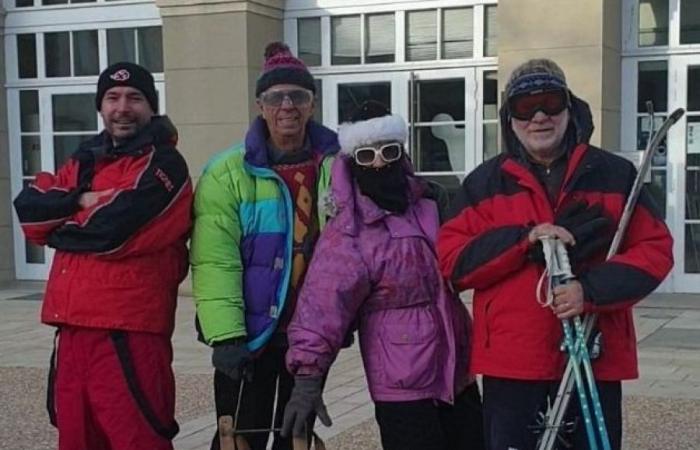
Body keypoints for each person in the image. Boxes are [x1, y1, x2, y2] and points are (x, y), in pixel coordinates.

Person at [437, 58, 674, 450]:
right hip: (514, 361)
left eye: (550, 101)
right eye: (525, 107)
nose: (539, 117)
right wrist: (525, 241)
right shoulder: (484, 182)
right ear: (510, 118)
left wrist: (591, 290)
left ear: (569, 106)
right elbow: (452, 261)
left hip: (592, 352)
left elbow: (656, 249)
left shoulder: (613, 174)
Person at [281, 101, 485, 450]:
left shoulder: (429, 206)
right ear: (352, 160)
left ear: (401, 153)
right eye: (366, 155)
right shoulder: (350, 230)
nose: (378, 162)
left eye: (388, 151)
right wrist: (308, 378)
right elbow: (323, 302)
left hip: (456, 370)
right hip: (401, 381)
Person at [13, 62, 192, 450]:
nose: (122, 107)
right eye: (112, 97)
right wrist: (80, 200)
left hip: (127, 334)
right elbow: (29, 210)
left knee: (138, 440)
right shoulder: (84, 160)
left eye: (134, 98)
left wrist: (59, 219)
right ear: (100, 106)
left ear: (151, 106)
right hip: (71, 331)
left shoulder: (164, 164)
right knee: (77, 439)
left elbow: (114, 231)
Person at [190, 42, 340, 450]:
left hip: (308, 334)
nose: (287, 105)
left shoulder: (337, 167)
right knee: (239, 437)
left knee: (296, 437)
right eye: (276, 97)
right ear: (261, 104)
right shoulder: (227, 173)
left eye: (298, 96)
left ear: (312, 104)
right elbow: (214, 261)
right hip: (248, 336)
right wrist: (226, 337)